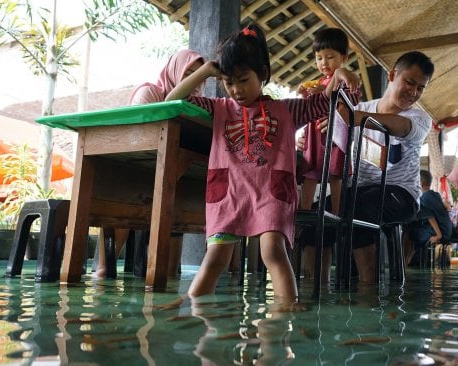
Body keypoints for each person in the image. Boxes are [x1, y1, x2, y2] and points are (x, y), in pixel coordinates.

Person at [164, 24, 360, 303]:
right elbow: (172, 99)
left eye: (243, 80)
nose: (236, 90)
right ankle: (195, 308)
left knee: (273, 252)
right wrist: (207, 70)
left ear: (263, 75)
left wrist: (339, 73)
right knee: (215, 258)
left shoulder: (289, 110)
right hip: (228, 195)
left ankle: (286, 312)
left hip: (271, 194)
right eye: (229, 82)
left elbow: (327, 100)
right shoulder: (219, 107)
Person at [304, 50, 435, 284]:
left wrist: (354, 118)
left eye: (420, 88)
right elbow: (333, 138)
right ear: (392, 75)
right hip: (360, 188)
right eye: (410, 82)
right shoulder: (363, 107)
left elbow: (401, 127)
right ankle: (318, 289)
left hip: (401, 194)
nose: (413, 92)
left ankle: (368, 291)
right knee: (317, 216)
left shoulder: (419, 118)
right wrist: (311, 137)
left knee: (358, 208)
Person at [93, 49, 205, 278]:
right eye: (188, 74)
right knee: (132, 190)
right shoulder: (148, 93)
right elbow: (137, 140)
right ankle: (104, 269)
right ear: (175, 71)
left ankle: (167, 271)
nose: (193, 82)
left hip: (168, 175)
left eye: (199, 76)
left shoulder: (196, 106)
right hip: (134, 168)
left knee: (181, 192)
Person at [297, 28, 352, 280]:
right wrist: (304, 95)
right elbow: (306, 109)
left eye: (330, 57)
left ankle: (338, 213)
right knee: (309, 172)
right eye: (319, 58)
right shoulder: (316, 84)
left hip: (335, 138)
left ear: (344, 57)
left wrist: (340, 76)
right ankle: (304, 213)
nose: (324, 63)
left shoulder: (347, 80)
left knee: (335, 173)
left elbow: (351, 107)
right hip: (313, 136)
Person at [405, 169, 452, 267]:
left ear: (420, 183)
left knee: (410, 232)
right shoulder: (436, 195)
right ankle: (409, 259)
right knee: (414, 228)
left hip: (438, 231)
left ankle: (407, 260)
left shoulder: (422, 198)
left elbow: (429, 216)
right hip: (447, 230)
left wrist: (438, 235)